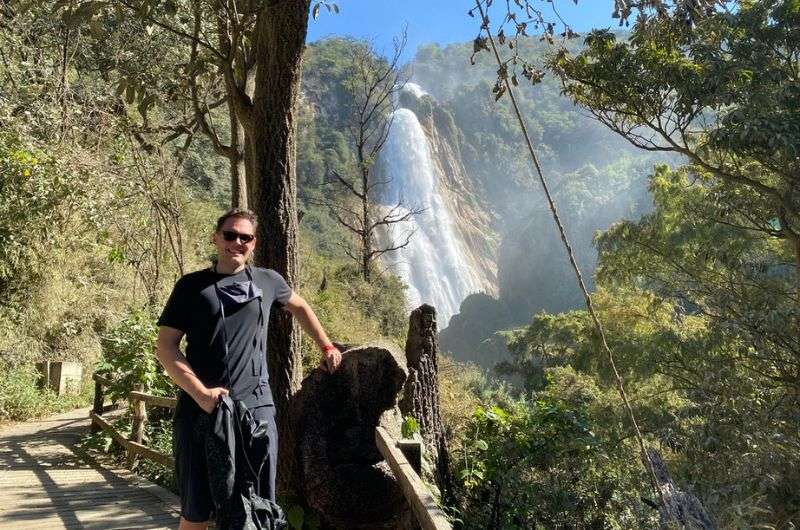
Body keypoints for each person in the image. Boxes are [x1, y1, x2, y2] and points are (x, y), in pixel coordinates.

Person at [155, 208, 342, 530]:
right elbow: (165, 347)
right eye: (230, 235)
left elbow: (299, 305)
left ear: (254, 243)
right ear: (216, 238)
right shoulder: (190, 286)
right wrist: (200, 394)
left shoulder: (269, 281)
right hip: (202, 410)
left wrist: (325, 345)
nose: (237, 242)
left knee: (257, 507)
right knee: (196, 510)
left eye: (246, 237)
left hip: (256, 410)